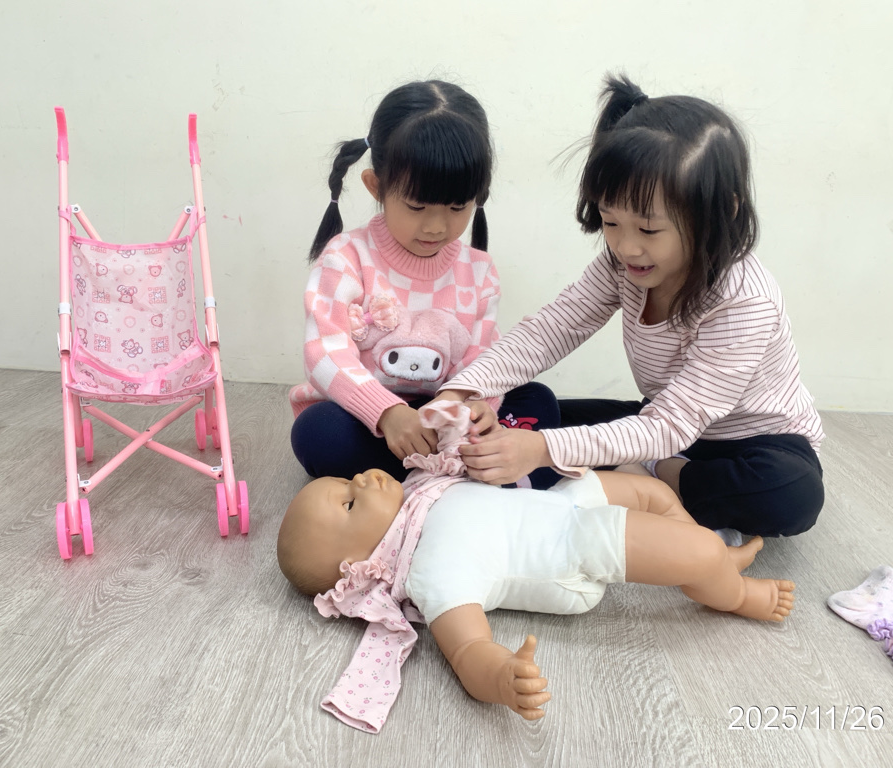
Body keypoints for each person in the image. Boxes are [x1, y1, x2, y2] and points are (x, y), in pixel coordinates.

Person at [433, 73, 825, 538]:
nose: (625, 247)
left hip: (749, 443)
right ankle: (641, 473)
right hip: (662, 419)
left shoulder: (743, 300)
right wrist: (463, 390)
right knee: (535, 406)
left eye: (649, 230)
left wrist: (542, 450)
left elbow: (674, 423)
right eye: (610, 221)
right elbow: (551, 330)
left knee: (791, 494)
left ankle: (660, 475)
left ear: (722, 211)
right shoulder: (622, 265)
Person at [277, 401, 795, 733]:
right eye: (349, 501)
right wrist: (502, 677)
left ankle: (702, 561)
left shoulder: (417, 489)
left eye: (344, 480)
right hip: (571, 550)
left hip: (563, 503)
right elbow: (468, 648)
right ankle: (732, 589)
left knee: (651, 491)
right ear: (358, 564)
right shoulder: (430, 572)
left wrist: (460, 418)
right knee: (700, 552)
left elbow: (459, 455)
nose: (361, 478)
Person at [289, 80, 560, 489]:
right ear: (376, 186)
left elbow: (482, 359)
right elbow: (324, 355)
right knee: (317, 432)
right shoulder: (346, 256)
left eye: (457, 207)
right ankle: (453, 480)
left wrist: (476, 408)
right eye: (416, 206)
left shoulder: (480, 272)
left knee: (538, 401)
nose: (436, 226)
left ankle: (426, 475)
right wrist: (388, 414)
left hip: (444, 421)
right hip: (369, 419)